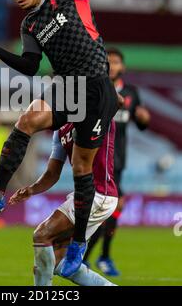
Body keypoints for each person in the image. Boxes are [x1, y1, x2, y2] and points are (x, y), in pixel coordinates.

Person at [0, 0, 165, 276]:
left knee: (83, 169)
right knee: (28, 118)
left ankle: (77, 246)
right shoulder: (30, 25)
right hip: (68, 87)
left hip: (98, 88)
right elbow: (31, 67)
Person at [9, 120, 117, 286]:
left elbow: (114, 100)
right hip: (86, 195)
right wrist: (31, 189)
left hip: (99, 194)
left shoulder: (98, 114)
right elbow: (52, 172)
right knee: (59, 262)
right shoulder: (60, 131)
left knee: (42, 234)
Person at [83, 47, 150, 276]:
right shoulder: (95, 87)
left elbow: (141, 122)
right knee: (106, 209)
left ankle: (94, 257)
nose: (112, 66)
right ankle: (92, 256)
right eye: (108, 62)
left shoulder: (131, 92)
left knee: (112, 209)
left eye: (116, 62)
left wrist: (144, 118)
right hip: (94, 158)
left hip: (117, 161)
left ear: (123, 67)